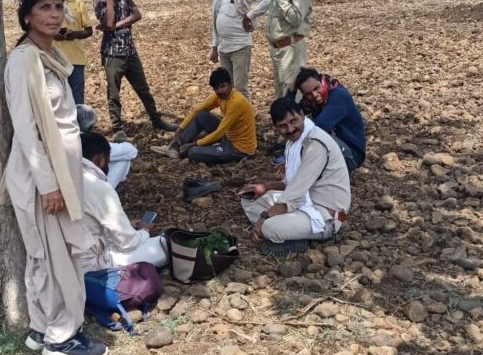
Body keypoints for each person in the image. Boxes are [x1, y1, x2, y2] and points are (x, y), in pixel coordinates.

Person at [0, 0, 106, 355]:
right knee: (57, 256)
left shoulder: (50, 57)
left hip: (58, 175)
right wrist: (49, 185)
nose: (54, 14)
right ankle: (62, 337)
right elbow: (27, 130)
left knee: (48, 255)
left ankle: (42, 327)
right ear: (27, 16)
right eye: (44, 7)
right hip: (43, 178)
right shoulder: (25, 61)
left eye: (58, 6)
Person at [239, 98, 350, 256]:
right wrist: (264, 187)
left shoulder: (315, 145)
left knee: (268, 226)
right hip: (304, 203)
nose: (290, 129)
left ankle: (293, 238)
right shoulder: (294, 142)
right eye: (283, 126)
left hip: (325, 215)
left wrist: (264, 218)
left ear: (302, 115)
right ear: (276, 127)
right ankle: (289, 232)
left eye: (293, 121)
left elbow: (294, 194)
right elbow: (292, 183)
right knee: (249, 199)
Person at [94, 0, 177, 141]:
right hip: (112, 53)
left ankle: (156, 120)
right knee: (114, 94)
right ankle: (117, 128)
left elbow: (136, 15)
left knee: (143, 89)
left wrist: (116, 26)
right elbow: (108, 22)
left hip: (130, 51)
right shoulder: (99, 0)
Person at [77, 132, 168, 274]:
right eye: (108, 162)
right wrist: (144, 231)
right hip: (88, 267)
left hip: (58, 264)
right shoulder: (99, 187)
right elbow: (127, 243)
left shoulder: (58, 181)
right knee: (163, 245)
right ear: (100, 159)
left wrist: (127, 226)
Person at [151, 67, 256, 165]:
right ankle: (174, 147)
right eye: (216, 88)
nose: (220, 91)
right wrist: (180, 128)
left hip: (240, 149)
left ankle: (183, 149)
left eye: (223, 86)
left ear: (230, 85)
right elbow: (198, 110)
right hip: (228, 136)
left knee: (193, 152)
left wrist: (195, 144)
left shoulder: (236, 102)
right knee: (202, 115)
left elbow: (219, 132)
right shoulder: (220, 96)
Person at [208, 0, 271, 101]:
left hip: (240, 47)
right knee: (226, 88)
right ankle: (231, 114)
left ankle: (246, 116)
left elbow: (267, 0)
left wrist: (249, 16)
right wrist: (214, 47)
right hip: (223, 48)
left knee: (241, 88)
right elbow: (215, 21)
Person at [293, 67, 366, 170]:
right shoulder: (311, 102)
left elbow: (318, 128)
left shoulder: (339, 96)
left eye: (316, 88)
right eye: (308, 94)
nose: (314, 95)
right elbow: (292, 111)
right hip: (337, 144)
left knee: (312, 139)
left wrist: (297, 148)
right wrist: (292, 92)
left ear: (322, 82)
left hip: (352, 154)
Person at [265, 0, 312, 99]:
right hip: (278, 49)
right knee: (280, 92)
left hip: (291, 48)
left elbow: (296, 19)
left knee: (291, 92)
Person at [46, 0, 94, 104]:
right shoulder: (43, 6)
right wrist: (53, 35)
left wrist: (75, 34)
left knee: (77, 101)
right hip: (52, 60)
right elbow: (36, 31)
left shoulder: (77, 3)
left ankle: (79, 120)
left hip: (76, 60)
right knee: (56, 102)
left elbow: (89, 31)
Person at [76, 104, 137, 188]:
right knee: (124, 158)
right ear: (90, 126)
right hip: (90, 188)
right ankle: (108, 188)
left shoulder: (63, 139)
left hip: (68, 185)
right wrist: (119, 144)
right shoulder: (91, 143)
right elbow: (132, 151)